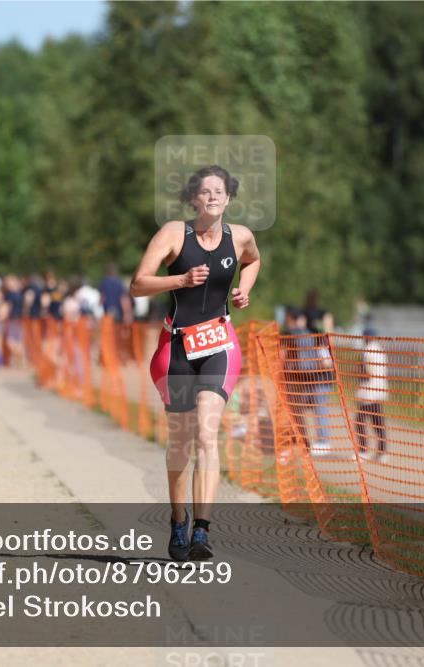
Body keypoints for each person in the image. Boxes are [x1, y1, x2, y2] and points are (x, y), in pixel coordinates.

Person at [130, 164, 261, 561]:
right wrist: (181, 281)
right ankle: (178, 519)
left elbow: (253, 261)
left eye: (220, 192)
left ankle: (202, 531)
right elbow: (138, 284)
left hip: (219, 343)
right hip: (177, 348)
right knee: (182, 442)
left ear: (230, 199)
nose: (213, 197)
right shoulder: (173, 234)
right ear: (192, 199)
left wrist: (244, 289)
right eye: (205, 192)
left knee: (207, 433)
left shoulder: (240, 238)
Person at [282, 306, 339, 459]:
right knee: (298, 410)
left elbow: (327, 362)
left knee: (320, 410)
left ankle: (323, 442)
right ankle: (301, 440)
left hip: (320, 380)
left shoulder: (315, 336)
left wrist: (313, 366)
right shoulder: (294, 336)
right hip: (305, 380)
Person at [355, 323, 389, 461]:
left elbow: (367, 372)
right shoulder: (380, 350)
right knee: (377, 422)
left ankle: (363, 451)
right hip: (379, 389)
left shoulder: (368, 351)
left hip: (369, 391)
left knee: (360, 421)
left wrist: (357, 372)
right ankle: (382, 452)